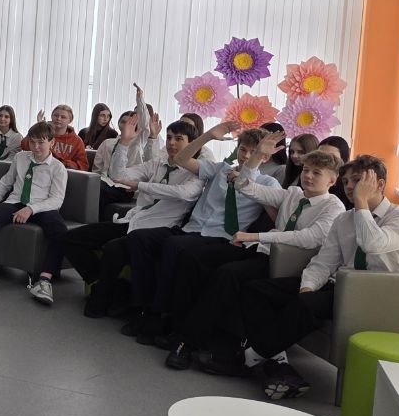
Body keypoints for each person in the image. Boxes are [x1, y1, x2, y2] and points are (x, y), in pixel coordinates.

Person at [234, 155, 399, 399]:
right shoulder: (344, 219)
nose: (350, 187)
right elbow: (324, 261)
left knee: (307, 305)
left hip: (378, 296)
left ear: (379, 184)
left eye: (357, 181)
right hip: (342, 286)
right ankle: (276, 362)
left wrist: (361, 203)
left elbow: (373, 243)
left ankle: (250, 357)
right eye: (346, 182)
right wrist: (308, 286)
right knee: (257, 290)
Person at [163, 140, 344, 371]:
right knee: (196, 258)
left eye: (316, 173)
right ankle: (178, 325)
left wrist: (257, 236)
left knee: (227, 274)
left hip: (287, 264)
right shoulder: (293, 194)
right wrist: (257, 157)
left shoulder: (333, 207)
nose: (308, 176)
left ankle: (187, 342)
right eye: (306, 170)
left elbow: (309, 238)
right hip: (261, 252)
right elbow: (245, 185)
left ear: (332, 180)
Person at [125, 123, 280, 344]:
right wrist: (208, 136)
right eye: (243, 149)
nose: (246, 156)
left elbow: (277, 218)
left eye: (253, 152)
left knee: (177, 248)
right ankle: (142, 305)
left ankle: (159, 314)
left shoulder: (268, 183)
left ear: (265, 157)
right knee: (139, 238)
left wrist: (258, 191)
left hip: (225, 239)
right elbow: (181, 160)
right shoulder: (220, 169)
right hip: (192, 230)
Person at [70, 119, 205, 318]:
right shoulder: (157, 163)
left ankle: (101, 298)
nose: (171, 143)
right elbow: (117, 175)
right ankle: (109, 286)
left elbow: (183, 193)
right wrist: (124, 143)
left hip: (160, 229)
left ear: (191, 144)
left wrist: (140, 186)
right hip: (133, 221)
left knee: (114, 249)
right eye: (169, 137)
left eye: (178, 139)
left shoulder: (198, 172)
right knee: (71, 239)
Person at [0, 121, 67, 303]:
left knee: (60, 231)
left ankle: (44, 281)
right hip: (16, 201)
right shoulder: (21, 158)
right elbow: (6, 182)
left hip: (42, 206)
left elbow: (57, 200)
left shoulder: (58, 168)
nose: (36, 147)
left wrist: (30, 209)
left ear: (51, 142)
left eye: (41, 142)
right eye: (32, 142)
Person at [25, 104, 88, 171]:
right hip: (39, 168)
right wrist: (40, 128)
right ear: (51, 116)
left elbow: (83, 166)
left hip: (63, 171)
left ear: (70, 120)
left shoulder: (77, 141)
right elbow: (24, 146)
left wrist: (64, 163)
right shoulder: (43, 133)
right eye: (56, 115)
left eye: (63, 117)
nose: (58, 119)